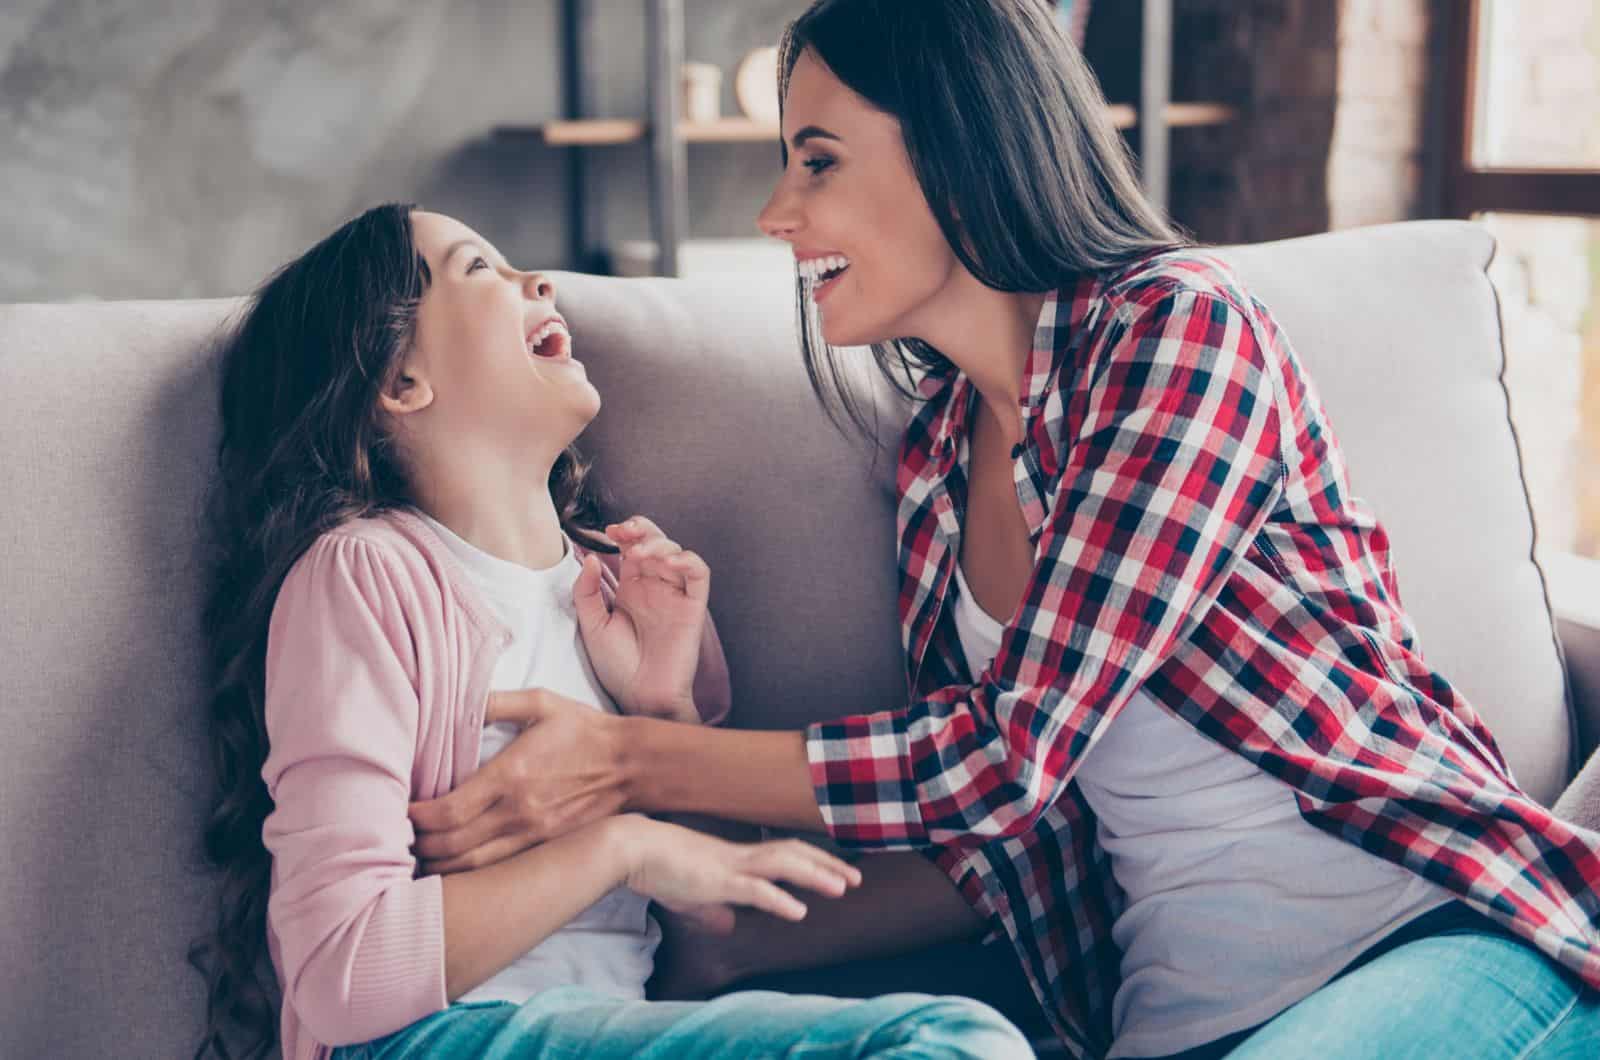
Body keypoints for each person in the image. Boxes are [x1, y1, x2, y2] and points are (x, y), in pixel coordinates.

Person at [404, 3, 1600, 1058]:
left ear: (964, 148)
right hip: (1171, 1025)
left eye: (817, 161)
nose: (777, 213)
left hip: (1436, 939)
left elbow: (1005, 752)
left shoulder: (1179, 333)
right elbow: (999, 848)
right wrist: (719, 937)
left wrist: (620, 762)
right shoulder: (932, 470)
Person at [187, 202, 1035, 1060]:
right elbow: (339, 975)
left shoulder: (613, 594)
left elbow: (699, 935)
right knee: (953, 1044)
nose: (539, 280)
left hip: (620, 1024)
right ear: (400, 383)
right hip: (437, 1035)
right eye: (480, 269)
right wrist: (622, 846)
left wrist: (660, 702)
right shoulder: (366, 576)